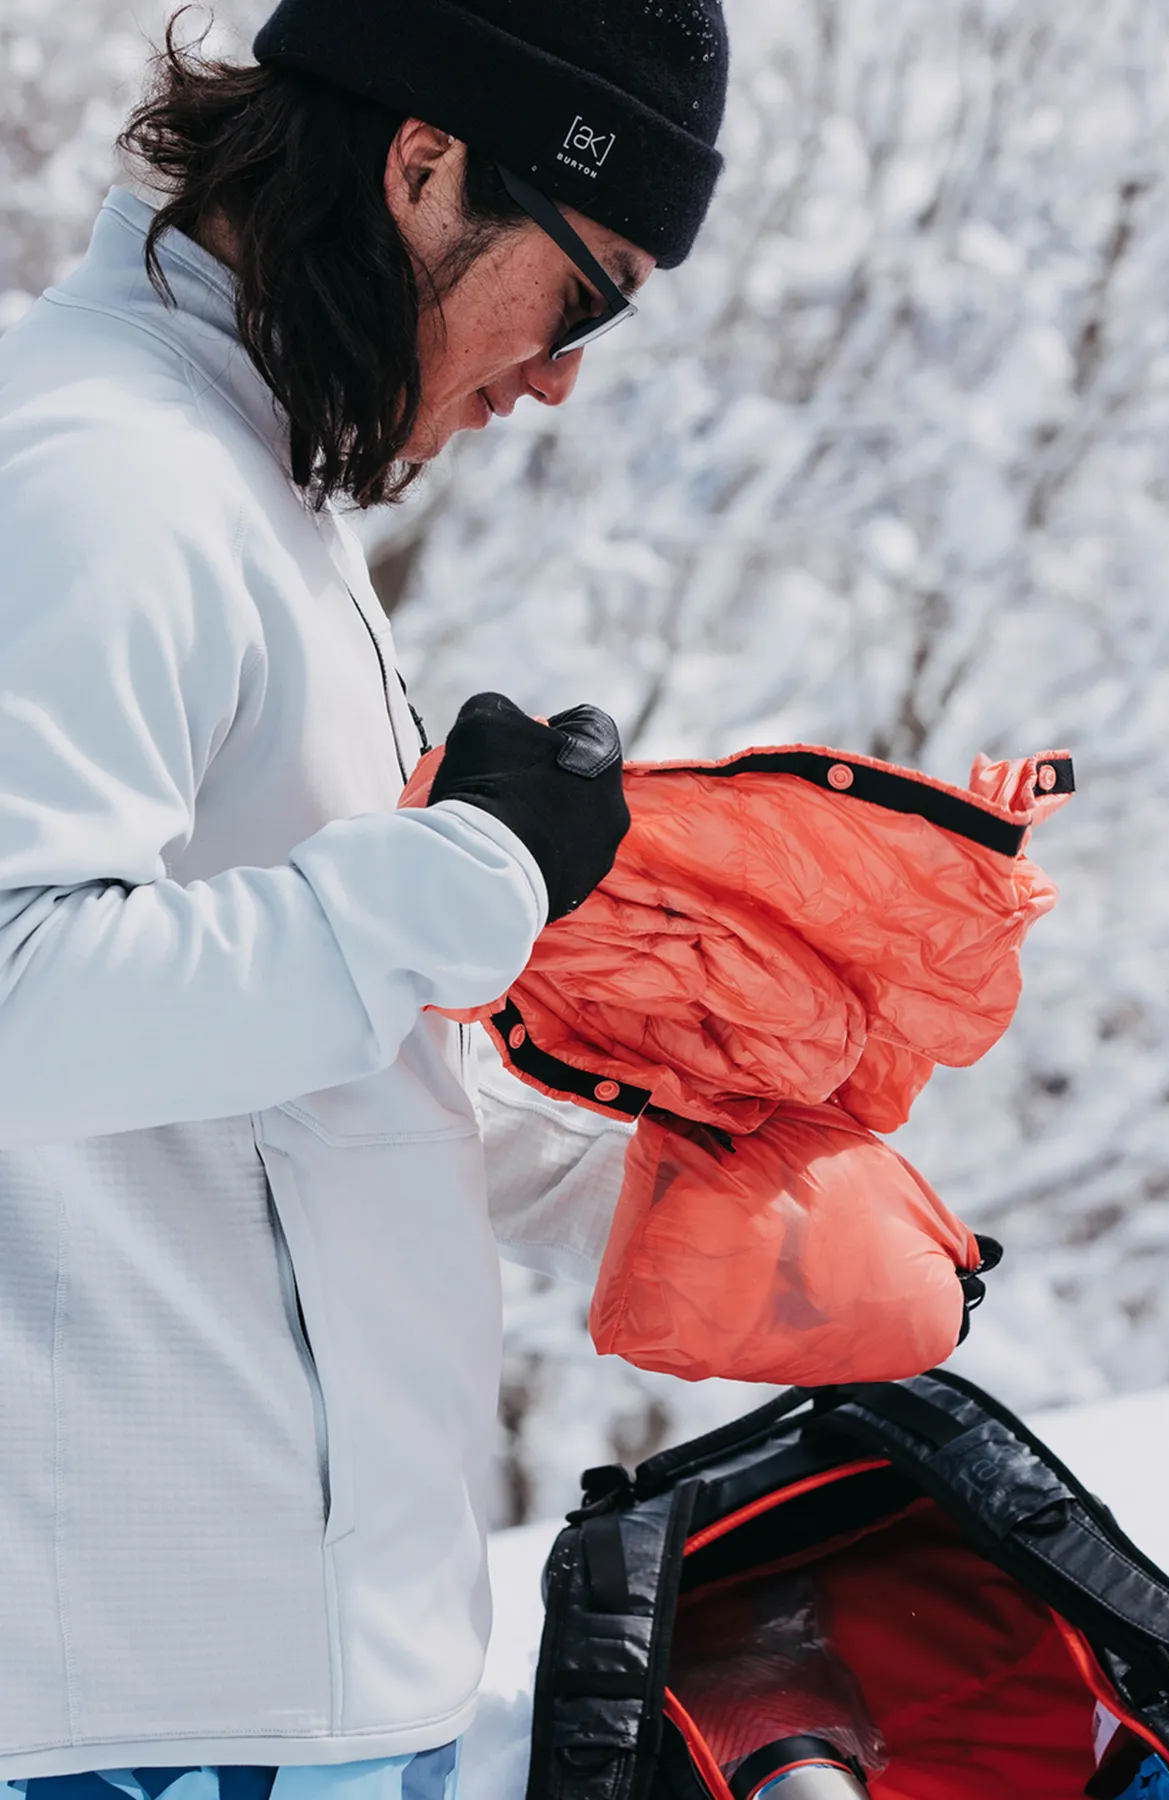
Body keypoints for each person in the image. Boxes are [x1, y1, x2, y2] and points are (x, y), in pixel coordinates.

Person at [0, 0, 727, 1794]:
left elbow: (281, 1049)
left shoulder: (241, 486)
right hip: (148, 1712)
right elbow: (19, 992)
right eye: (594, 292)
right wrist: (468, 872)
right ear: (425, 166)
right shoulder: (107, 480)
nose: (564, 377)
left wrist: (660, 1191)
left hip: (280, 1677)